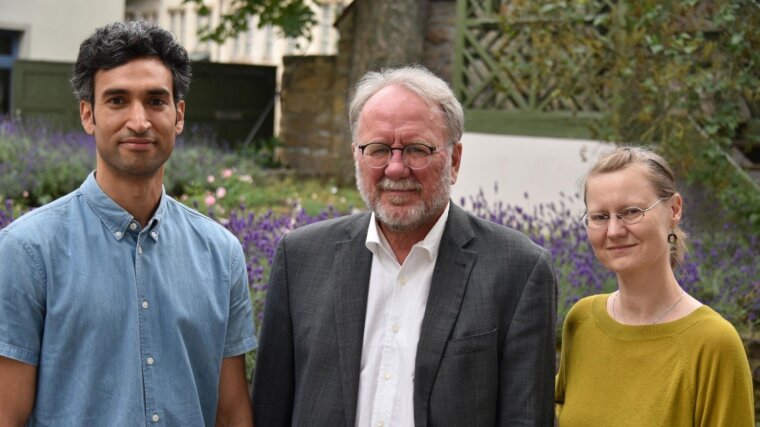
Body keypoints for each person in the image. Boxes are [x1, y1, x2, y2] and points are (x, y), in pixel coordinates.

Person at [251, 65, 557, 425]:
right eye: (379, 149)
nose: (395, 169)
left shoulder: (517, 270)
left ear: (454, 160)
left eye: (416, 150)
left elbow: (526, 418)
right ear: (356, 156)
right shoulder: (301, 258)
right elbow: (269, 410)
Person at [0, 21, 256, 425]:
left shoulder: (221, 255)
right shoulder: (27, 252)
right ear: (88, 115)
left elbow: (232, 412)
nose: (139, 121)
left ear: (179, 115)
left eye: (156, 101)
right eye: (117, 100)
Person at [555, 147, 755, 425]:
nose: (614, 231)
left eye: (631, 212)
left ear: (674, 209)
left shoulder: (713, 343)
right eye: (600, 217)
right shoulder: (582, 321)